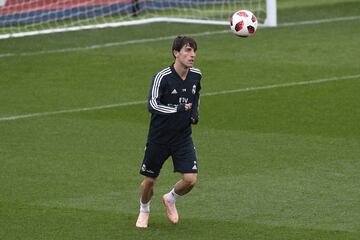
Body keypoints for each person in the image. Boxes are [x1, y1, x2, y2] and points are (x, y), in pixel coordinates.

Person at [136, 36, 202, 228]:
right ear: (176, 53)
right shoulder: (162, 77)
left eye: (194, 51)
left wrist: (194, 113)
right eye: (188, 50)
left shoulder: (196, 74)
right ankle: (144, 209)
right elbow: (153, 105)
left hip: (182, 137)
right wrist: (178, 109)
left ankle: (170, 198)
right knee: (149, 181)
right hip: (159, 138)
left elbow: (196, 94)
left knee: (190, 180)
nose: (192, 55)